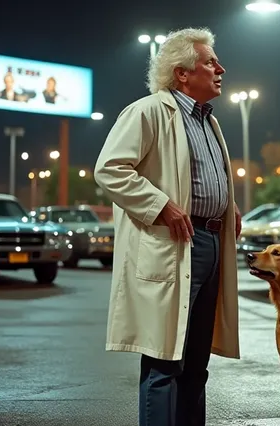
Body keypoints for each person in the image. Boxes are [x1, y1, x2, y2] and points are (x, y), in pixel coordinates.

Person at [93, 27, 241, 426]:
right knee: (164, 361)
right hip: (175, 242)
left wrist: (230, 207)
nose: (220, 68)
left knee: (197, 363)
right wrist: (160, 206)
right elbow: (109, 170)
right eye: (211, 62)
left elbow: (201, 178)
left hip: (209, 241)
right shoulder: (147, 111)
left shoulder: (209, 122)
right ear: (182, 73)